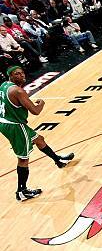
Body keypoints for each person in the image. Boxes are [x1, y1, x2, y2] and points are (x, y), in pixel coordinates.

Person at [0, 66, 74, 201]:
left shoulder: (4, 85)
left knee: (39, 139)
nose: (21, 75)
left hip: (5, 121)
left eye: (22, 73)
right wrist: (41, 103)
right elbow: (35, 111)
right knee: (23, 158)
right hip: (15, 126)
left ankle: (58, 161)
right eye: (17, 74)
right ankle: (21, 191)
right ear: (11, 76)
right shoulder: (18, 91)